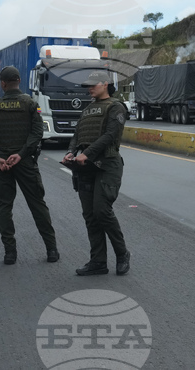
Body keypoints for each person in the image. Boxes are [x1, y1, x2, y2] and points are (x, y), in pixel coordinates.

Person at [0, 66, 58, 265]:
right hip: (24, 163)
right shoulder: (30, 104)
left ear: (3, 83)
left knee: (4, 207)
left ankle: (10, 253)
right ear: (19, 81)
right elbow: (37, 133)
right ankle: (51, 250)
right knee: (38, 205)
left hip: (2, 165)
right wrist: (22, 154)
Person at [62, 70, 130, 276]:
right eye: (87, 85)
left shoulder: (116, 107)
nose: (89, 88)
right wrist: (71, 152)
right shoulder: (88, 109)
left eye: (93, 84)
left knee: (102, 210)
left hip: (107, 164)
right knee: (90, 215)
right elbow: (77, 135)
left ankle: (122, 254)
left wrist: (88, 154)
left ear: (106, 84)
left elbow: (111, 135)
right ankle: (98, 261)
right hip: (87, 167)